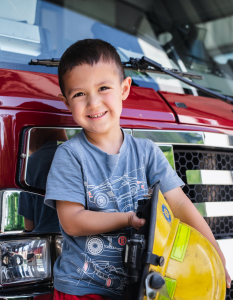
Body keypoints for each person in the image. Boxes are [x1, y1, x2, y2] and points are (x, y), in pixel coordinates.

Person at [44, 39, 231, 300]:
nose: (94, 103)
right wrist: (126, 219)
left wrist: (216, 255)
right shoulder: (70, 155)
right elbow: (72, 221)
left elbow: (179, 204)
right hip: (84, 288)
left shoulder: (147, 152)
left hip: (139, 287)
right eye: (79, 94)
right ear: (66, 102)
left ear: (124, 89)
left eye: (103, 88)